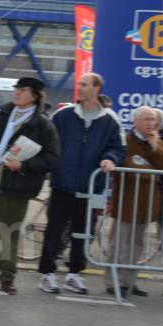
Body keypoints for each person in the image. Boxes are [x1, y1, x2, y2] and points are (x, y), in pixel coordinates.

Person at [0, 77, 59, 295]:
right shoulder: (4, 113)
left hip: (16, 185)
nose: (17, 92)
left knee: (9, 234)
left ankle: (7, 277)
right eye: (16, 88)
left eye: (23, 89)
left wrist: (23, 165)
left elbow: (51, 158)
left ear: (35, 95)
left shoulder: (42, 125)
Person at [38, 73, 124, 295]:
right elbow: (48, 140)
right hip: (63, 184)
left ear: (96, 88)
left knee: (83, 232)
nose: (80, 88)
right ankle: (47, 273)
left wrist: (110, 158)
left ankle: (74, 275)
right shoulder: (64, 115)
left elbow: (118, 147)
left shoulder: (110, 120)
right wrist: (53, 165)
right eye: (79, 84)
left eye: (84, 85)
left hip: (91, 186)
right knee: (54, 230)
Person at [105, 106, 163, 297]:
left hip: (146, 204)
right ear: (135, 121)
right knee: (118, 244)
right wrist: (152, 170)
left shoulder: (157, 142)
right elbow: (129, 165)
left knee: (137, 245)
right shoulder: (126, 141)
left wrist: (155, 148)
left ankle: (130, 282)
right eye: (146, 119)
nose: (151, 123)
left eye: (153, 119)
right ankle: (113, 282)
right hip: (126, 202)